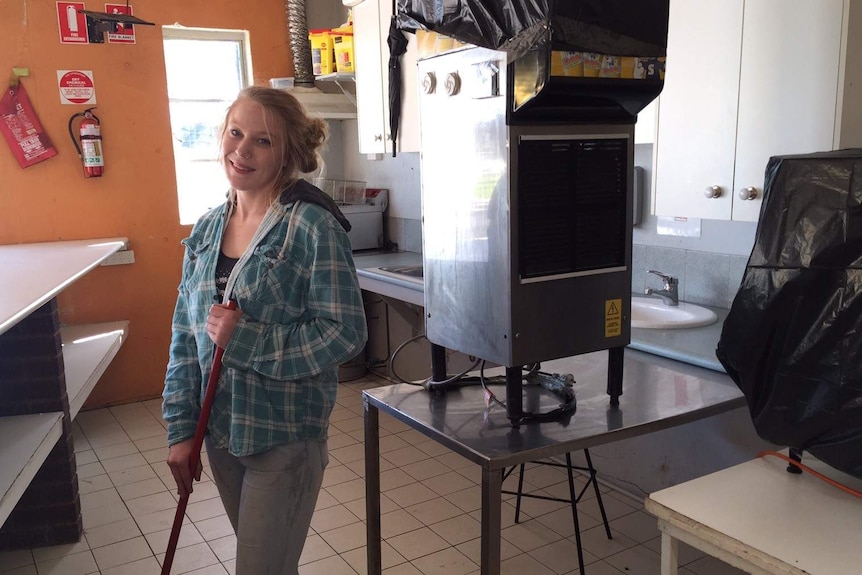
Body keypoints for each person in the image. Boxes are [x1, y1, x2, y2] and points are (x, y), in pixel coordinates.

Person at [163, 86, 367, 574]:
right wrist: (181, 429)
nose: (242, 150)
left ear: (288, 154)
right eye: (236, 133)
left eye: (262, 141)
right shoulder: (209, 229)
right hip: (222, 432)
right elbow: (185, 337)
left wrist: (247, 339)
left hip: (285, 436)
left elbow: (344, 332)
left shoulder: (312, 227)